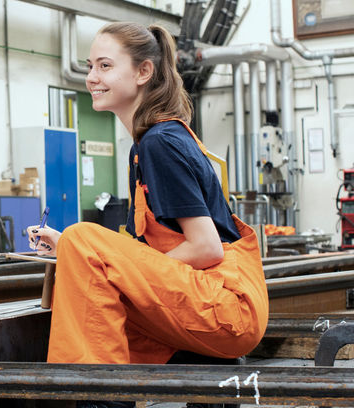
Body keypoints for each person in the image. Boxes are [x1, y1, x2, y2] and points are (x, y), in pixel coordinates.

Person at [27, 22, 268, 407]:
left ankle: (97, 399)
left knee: (83, 239)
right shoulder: (149, 144)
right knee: (81, 253)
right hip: (209, 301)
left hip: (225, 307)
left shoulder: (160, 143)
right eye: (90, 66)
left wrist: (107, 260)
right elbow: (155, 252)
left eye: (105, 66)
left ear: (143, 72)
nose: (92, 78)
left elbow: (206, 248)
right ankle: (108, 390)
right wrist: (75, 251)